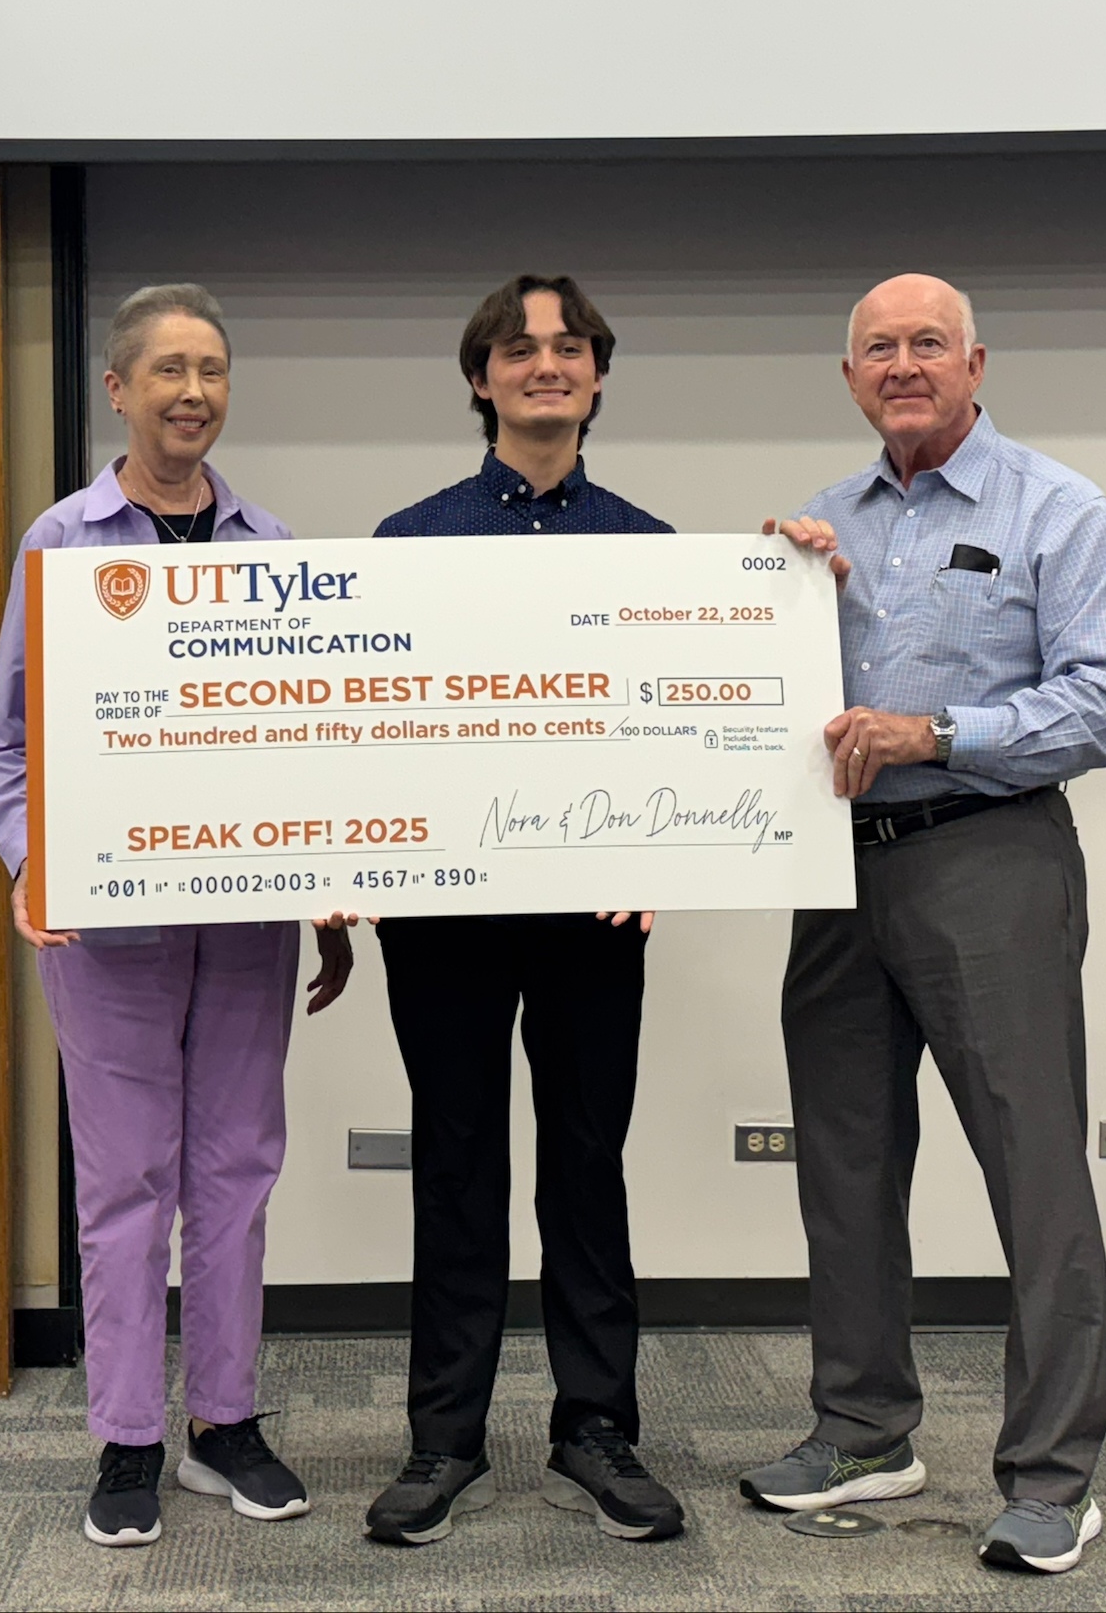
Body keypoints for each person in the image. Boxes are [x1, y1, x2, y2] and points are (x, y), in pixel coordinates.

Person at [739, 273, 1106, 1576]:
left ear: (976, 365)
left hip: (990, 858)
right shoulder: (822, 524)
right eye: (879, 347)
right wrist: (763, 604)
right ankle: (862, 1429)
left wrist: (937, 733)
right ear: (849, 376)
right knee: (843, 1166)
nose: (903, 364)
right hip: (838, 873)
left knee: (1033, 1169)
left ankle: (1051, 1477)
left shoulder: (1056, 509)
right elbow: (780, 704)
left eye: (929, 343)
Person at [0, 283, 355, 1549]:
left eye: (212, 370)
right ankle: (128, 1435)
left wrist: (327, 888)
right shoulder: (61, 542)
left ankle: (223, 1423)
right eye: (168, 370)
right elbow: (4, 751)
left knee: (236, 1170)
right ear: (118, 389)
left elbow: (303, 742)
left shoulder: (274, 548)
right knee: (126, 1176)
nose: (193, 392)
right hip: (107, 929)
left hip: (245, 922)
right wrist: (32, 862)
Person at [359, 274, 686, 1547]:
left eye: (566, 346)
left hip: (593, 916)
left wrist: (663, 847)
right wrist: (350, 850)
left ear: (596, 374)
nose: (544, 364)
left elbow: (677, 730)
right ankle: (443, 1437)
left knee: (586, 1162)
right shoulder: (406, 542)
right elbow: (370, 726)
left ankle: (595, 1427)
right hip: (440, 914)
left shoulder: (655, 552)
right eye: (517, 348)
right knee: (455, 1163)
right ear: (479, 378)